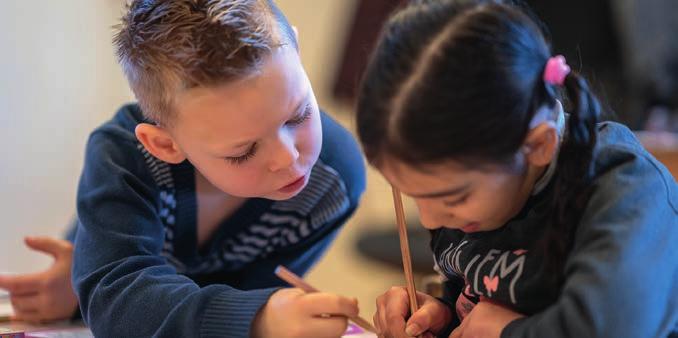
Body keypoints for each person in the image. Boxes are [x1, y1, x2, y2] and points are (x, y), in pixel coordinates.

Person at [355, 1, 678, 337]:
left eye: (454, 198)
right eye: (414, 196)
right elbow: (488, 299)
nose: (430, 220)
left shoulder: (626, 193)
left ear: (538, 146)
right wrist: (442, 316)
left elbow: (613, 329)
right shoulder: (486, 196)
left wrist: (508, 332)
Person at [53, 0, 365, 337]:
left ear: (297, 52)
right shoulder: (124, 159)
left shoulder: (333, 182)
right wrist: (257, 318)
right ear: (165, 145)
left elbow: (246, 295)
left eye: (298, 115)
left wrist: (258, 313)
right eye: (243, 152)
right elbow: (115, 302)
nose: (288, 159)